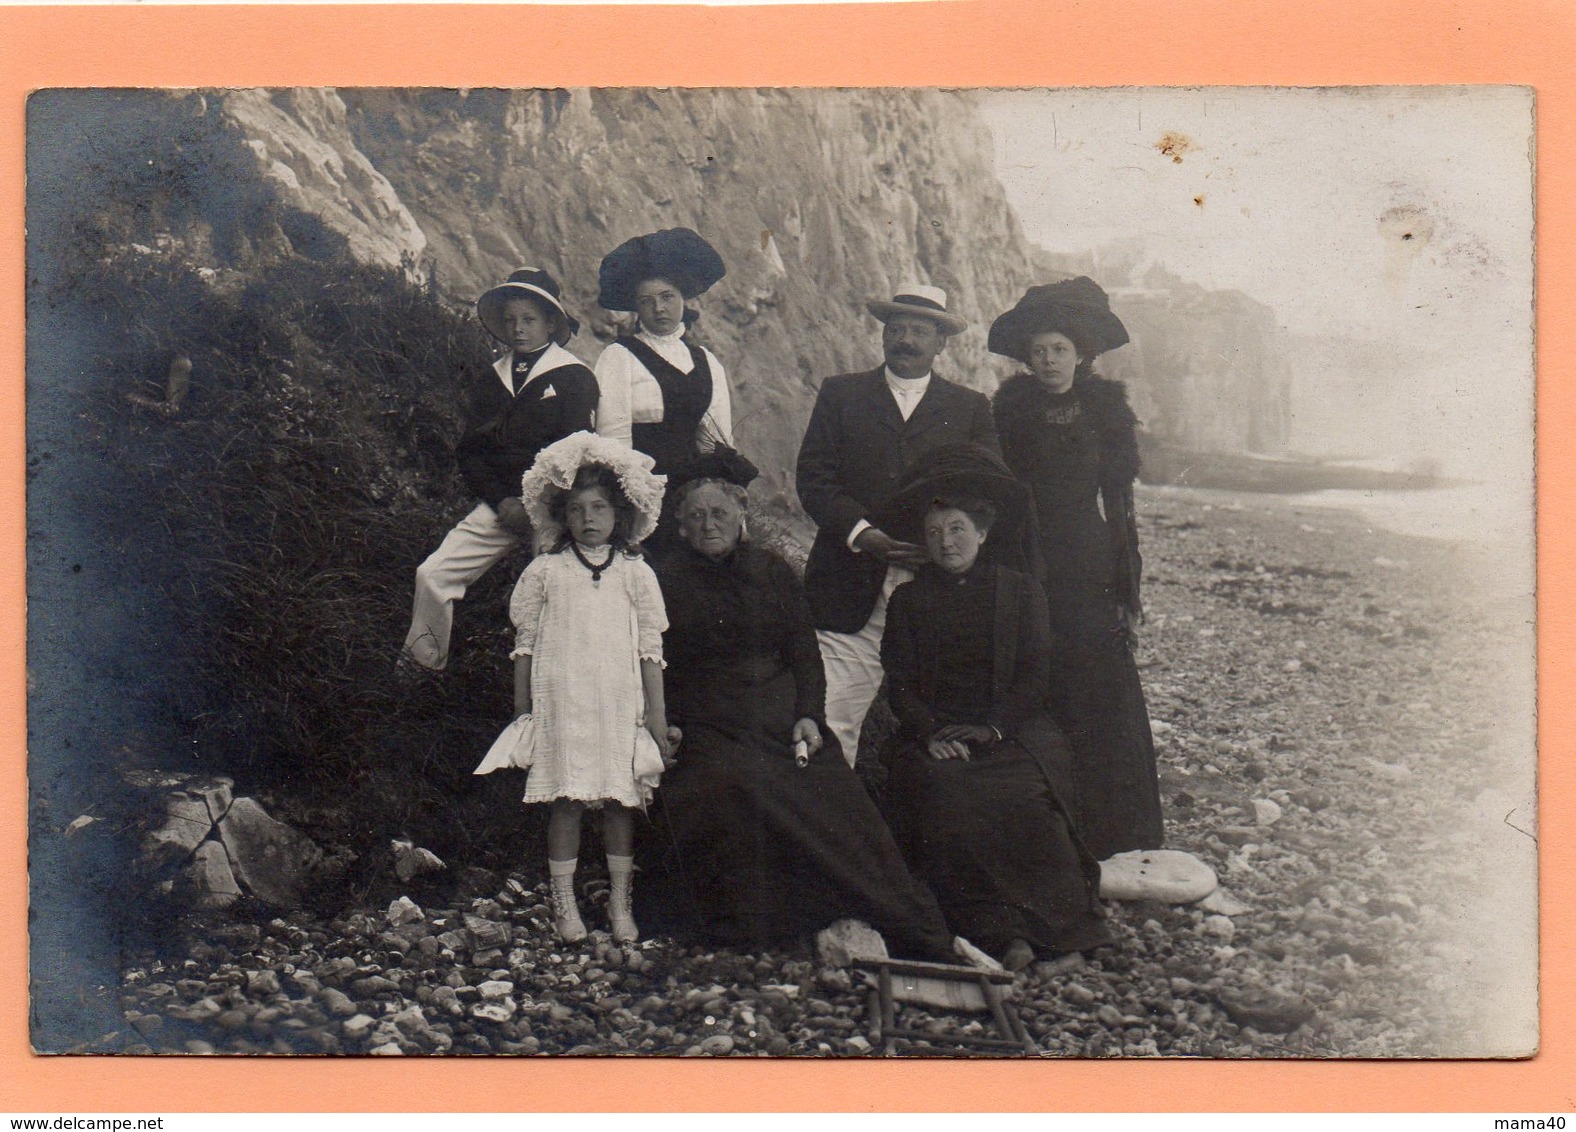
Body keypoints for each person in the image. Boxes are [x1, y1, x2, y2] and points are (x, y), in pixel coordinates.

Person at [638, 451, 998, 967]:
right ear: (679, 526)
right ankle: (759, 923)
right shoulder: (665, 579)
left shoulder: (773, 571)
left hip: (781, 711)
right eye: (695, 516)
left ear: (742, 516)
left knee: (834, 796)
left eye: (719, 513)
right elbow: (655, 662)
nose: (708, 524)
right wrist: (667, 722)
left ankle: (914, 925)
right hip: (707, 718)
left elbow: (804, 653)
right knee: (727, 785)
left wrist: (810, 714)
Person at [877, 458, 1111, 970]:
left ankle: (1062, 936)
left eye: (958, 528)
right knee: (946, 795)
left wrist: (994, 727)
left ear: (982, 532)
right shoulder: (909, 600)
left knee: (1026, 797)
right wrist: (929, 732)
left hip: (1013, 733)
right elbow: (899, 684)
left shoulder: (1021, 591)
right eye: (934, 532)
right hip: (939, 738)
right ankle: (999, 936)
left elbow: (1035, 676)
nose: (946, 542)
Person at [987, 276, 1164, 859]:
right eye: (1039, 351)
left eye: (1059, 349)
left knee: (1098, 678)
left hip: (1088, 558)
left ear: (1081, 353)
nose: (1048, 361)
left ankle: (1116, 829)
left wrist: (1128, 584)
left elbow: (1119, 502)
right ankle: (1045, 826)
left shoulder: (1106, 406)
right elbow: (997, 488)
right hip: (1026, 553)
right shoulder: (1009, 407)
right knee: (1037, 669)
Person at [796, 283, 999, 767]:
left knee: (940, 718)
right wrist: (864, 534)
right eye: (897, 328)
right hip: (849, 581)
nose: (906, 339)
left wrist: (942, 545)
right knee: (831, 717)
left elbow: (987, 492)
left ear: (941, 343)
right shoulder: (841, 393)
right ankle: (830, 826)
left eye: (920, 330)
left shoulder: (970, 408)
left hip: (935, 583)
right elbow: (814, 478)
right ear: (883, 334)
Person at [507, 432, 673, 944]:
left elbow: (649, 651)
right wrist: (524, 713)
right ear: (563, 515)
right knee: (568, 799)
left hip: (619, 703)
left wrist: (657, 720)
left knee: (622, 802)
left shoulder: (636, 574)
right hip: (563, 701)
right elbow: (526, 646)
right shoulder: (545, 572)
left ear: (619, 515)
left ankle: (621, 905)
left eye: (599, 507)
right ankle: (564, 905)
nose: (588, 518)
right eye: (576, 509)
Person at [401, 268, 597, 671]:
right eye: (510, 320)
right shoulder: (492, 379)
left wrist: (540, 504)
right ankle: (423, 666)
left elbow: (576, 452)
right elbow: (471, 453)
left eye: (528, 320)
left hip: (555, 510)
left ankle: (554, 682)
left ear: (550, 322)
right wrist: (502, 499)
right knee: (434, 574)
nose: (518, 329)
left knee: (555, 596)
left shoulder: (576, 377)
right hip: (501, 504)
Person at [593, 228, 732, 559]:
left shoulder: (706, 361)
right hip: (643, 494)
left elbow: (716, 443)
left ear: (683, 298)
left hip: (694, 500)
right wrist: (633, 509)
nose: (659, 308)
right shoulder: (619, 356)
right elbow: (613, 445)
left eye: (667, 297)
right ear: (637, 309)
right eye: (647, 301)